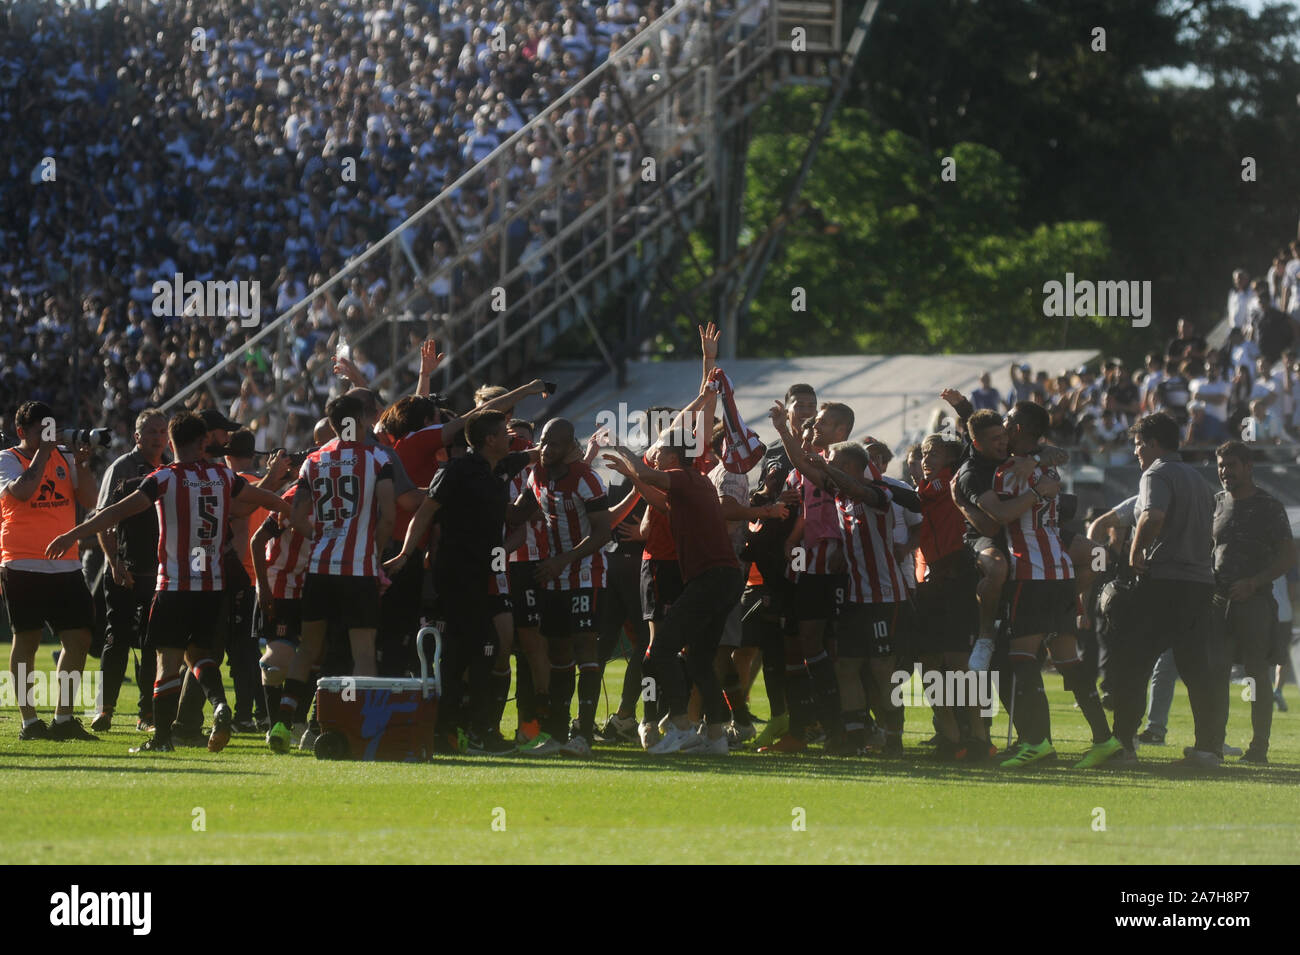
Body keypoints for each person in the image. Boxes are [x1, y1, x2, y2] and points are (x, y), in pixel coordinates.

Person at [46, 412, 290, 753]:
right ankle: (220, 705)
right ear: (202, 442)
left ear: (172, 442)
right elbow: (261, 500)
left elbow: (115, 512)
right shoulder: (222, 475)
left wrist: (72, 534)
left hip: (173, 585)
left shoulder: (164, 478)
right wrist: (288, 511)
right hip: (213, 586)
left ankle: (161, 739)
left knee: (168, 661)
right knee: (201, 655)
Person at [387, 410, 534, 754]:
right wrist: (406, 553)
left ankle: (459, 730)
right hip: (457, 572)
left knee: (477, 650)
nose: (509, 439)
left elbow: (526, 460)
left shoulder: (498, 468)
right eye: (503, 434)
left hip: (483, 572)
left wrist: (542, 468)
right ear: (489, 440)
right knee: (468, 650)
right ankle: (459, 731)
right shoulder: (456, 471)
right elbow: (424, 512)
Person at [982, 402, 1118, 769]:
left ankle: (1037, 742)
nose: (1002, 426)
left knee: (1022, 659)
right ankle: (1105, 740)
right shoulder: (1048, 466)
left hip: (1032, 573)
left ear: (1020, 427)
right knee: (1067, 660)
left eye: (1008, 421)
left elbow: (1003, 515)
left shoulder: (1010, 471)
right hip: (1061, 573)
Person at [603, 440, 743, 755]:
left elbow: (648, 476)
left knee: (660, 651)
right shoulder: (695, 484)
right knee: (699, 658)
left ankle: (681, 727)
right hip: (723, 577)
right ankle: (717, 736)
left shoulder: (684, 476)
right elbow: (658, 499)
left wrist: (625, 453)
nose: (653, 455)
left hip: (711, 577)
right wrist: (636, 476)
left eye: (659, 452)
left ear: (675, 457)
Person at [1109, 412, 1223, 768]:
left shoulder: (1156, 473)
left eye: (1140, 445)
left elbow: (1152, 516)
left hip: (1164, 581)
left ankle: (1125, 744)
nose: (1137, 453)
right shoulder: (1200, 481)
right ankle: (1208, 750)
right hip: (1200, 583)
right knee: (1196, 670)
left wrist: (1135, 550)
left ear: (1153, 443)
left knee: (1134, 662)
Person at [508, 417, 612, 757]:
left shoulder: (586, 479)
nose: (546, 449)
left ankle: (584, 734)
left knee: (585, 647)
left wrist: (563, 560)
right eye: (544, 442)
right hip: (553, 575)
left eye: (554, 444)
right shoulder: (536, 475)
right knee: (558, 652)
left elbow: (601, 533)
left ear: (570, 447)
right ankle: (557, 732)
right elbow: (516, 514)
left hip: (585, 573)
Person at [2, 400, 101, 742]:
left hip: (65, 562)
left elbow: (90, 499)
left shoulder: (65, 456)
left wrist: (83, 464)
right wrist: (44, 453)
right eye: (40, 429)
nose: (49, 434)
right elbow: (25, 491)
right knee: (26, 640)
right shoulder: (7, 459)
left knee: (79, 638)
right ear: (21, 432)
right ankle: (30, 722)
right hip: (23, 561)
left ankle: (63, 718)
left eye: (51, 427)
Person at [291, 394, 396, 683]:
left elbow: (296, 518)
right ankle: (362, 723)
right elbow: (388, 516)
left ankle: (283, 724)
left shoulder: (312, 460)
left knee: (308, 648)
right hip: (358, 569)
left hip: (319, 568)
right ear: (360, 420)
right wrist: (372, 553)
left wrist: (324, 538)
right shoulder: (377, 458)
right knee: (363, 651)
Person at [1210, 441, 1295, 763]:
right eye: (1220, 465)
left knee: (1256, 675)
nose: (1224, 471)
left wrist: (1254, 582)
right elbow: (1211, 549)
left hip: (1254, 601)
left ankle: (1259, 747)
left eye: (1231, 465)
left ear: (1248, 467)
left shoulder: (1269, 506)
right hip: (1218, 601)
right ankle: (1212, 744)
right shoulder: (1216, 503)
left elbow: (1288, 556)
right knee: (1214, 673)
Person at [90, 408, 168, 733]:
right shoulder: (121, 467)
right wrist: (114, 561)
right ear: (137, 436)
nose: (157, 437)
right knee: (116, 639)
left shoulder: (169, 468)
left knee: (152, 645)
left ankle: (146, 715)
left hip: (158, 571)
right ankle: (104, 710)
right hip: (124, 569)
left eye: (162, 431)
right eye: (150, 431)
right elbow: (102, 519)